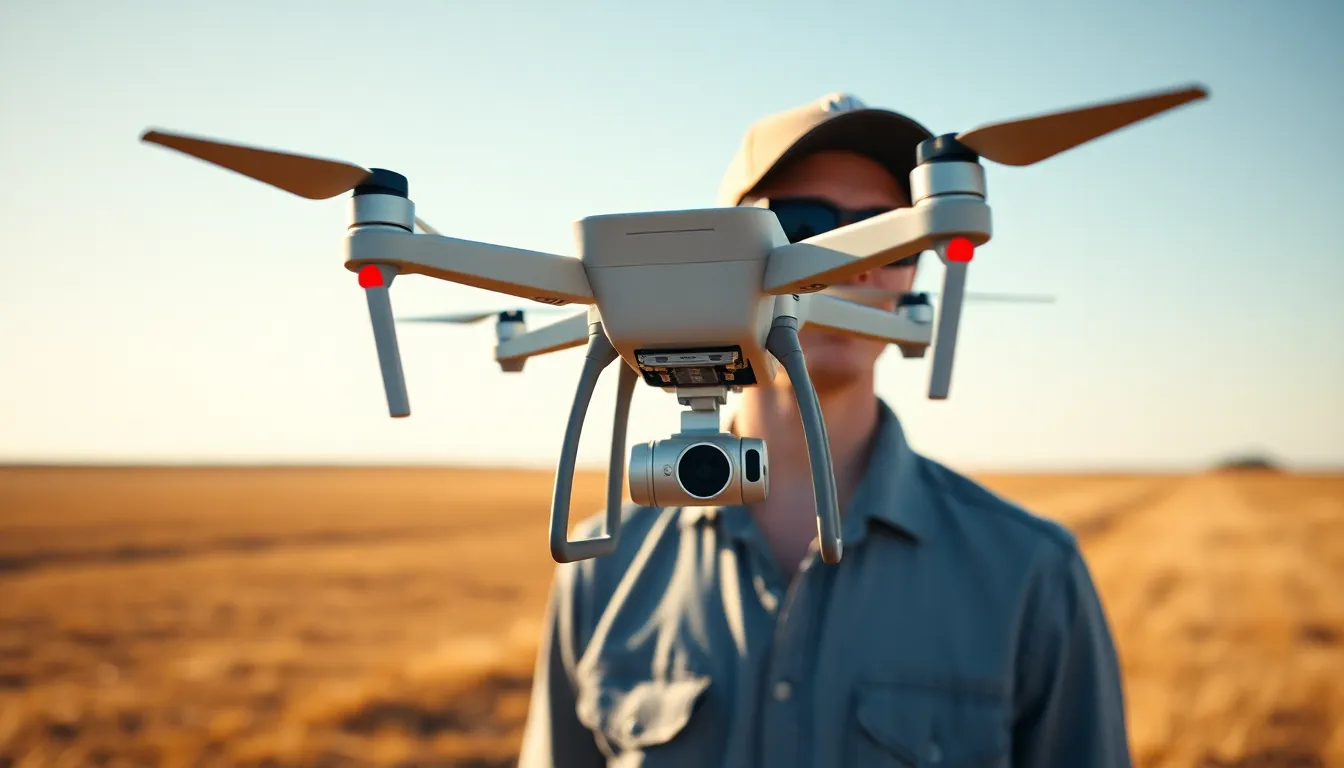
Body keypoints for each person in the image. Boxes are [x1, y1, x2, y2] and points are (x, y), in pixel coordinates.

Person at [517, 93, 1132, 768]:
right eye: (804, 226)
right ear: (718, 256)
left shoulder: (1030, 574)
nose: (855, 263)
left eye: (889, 234)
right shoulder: (603, 571)